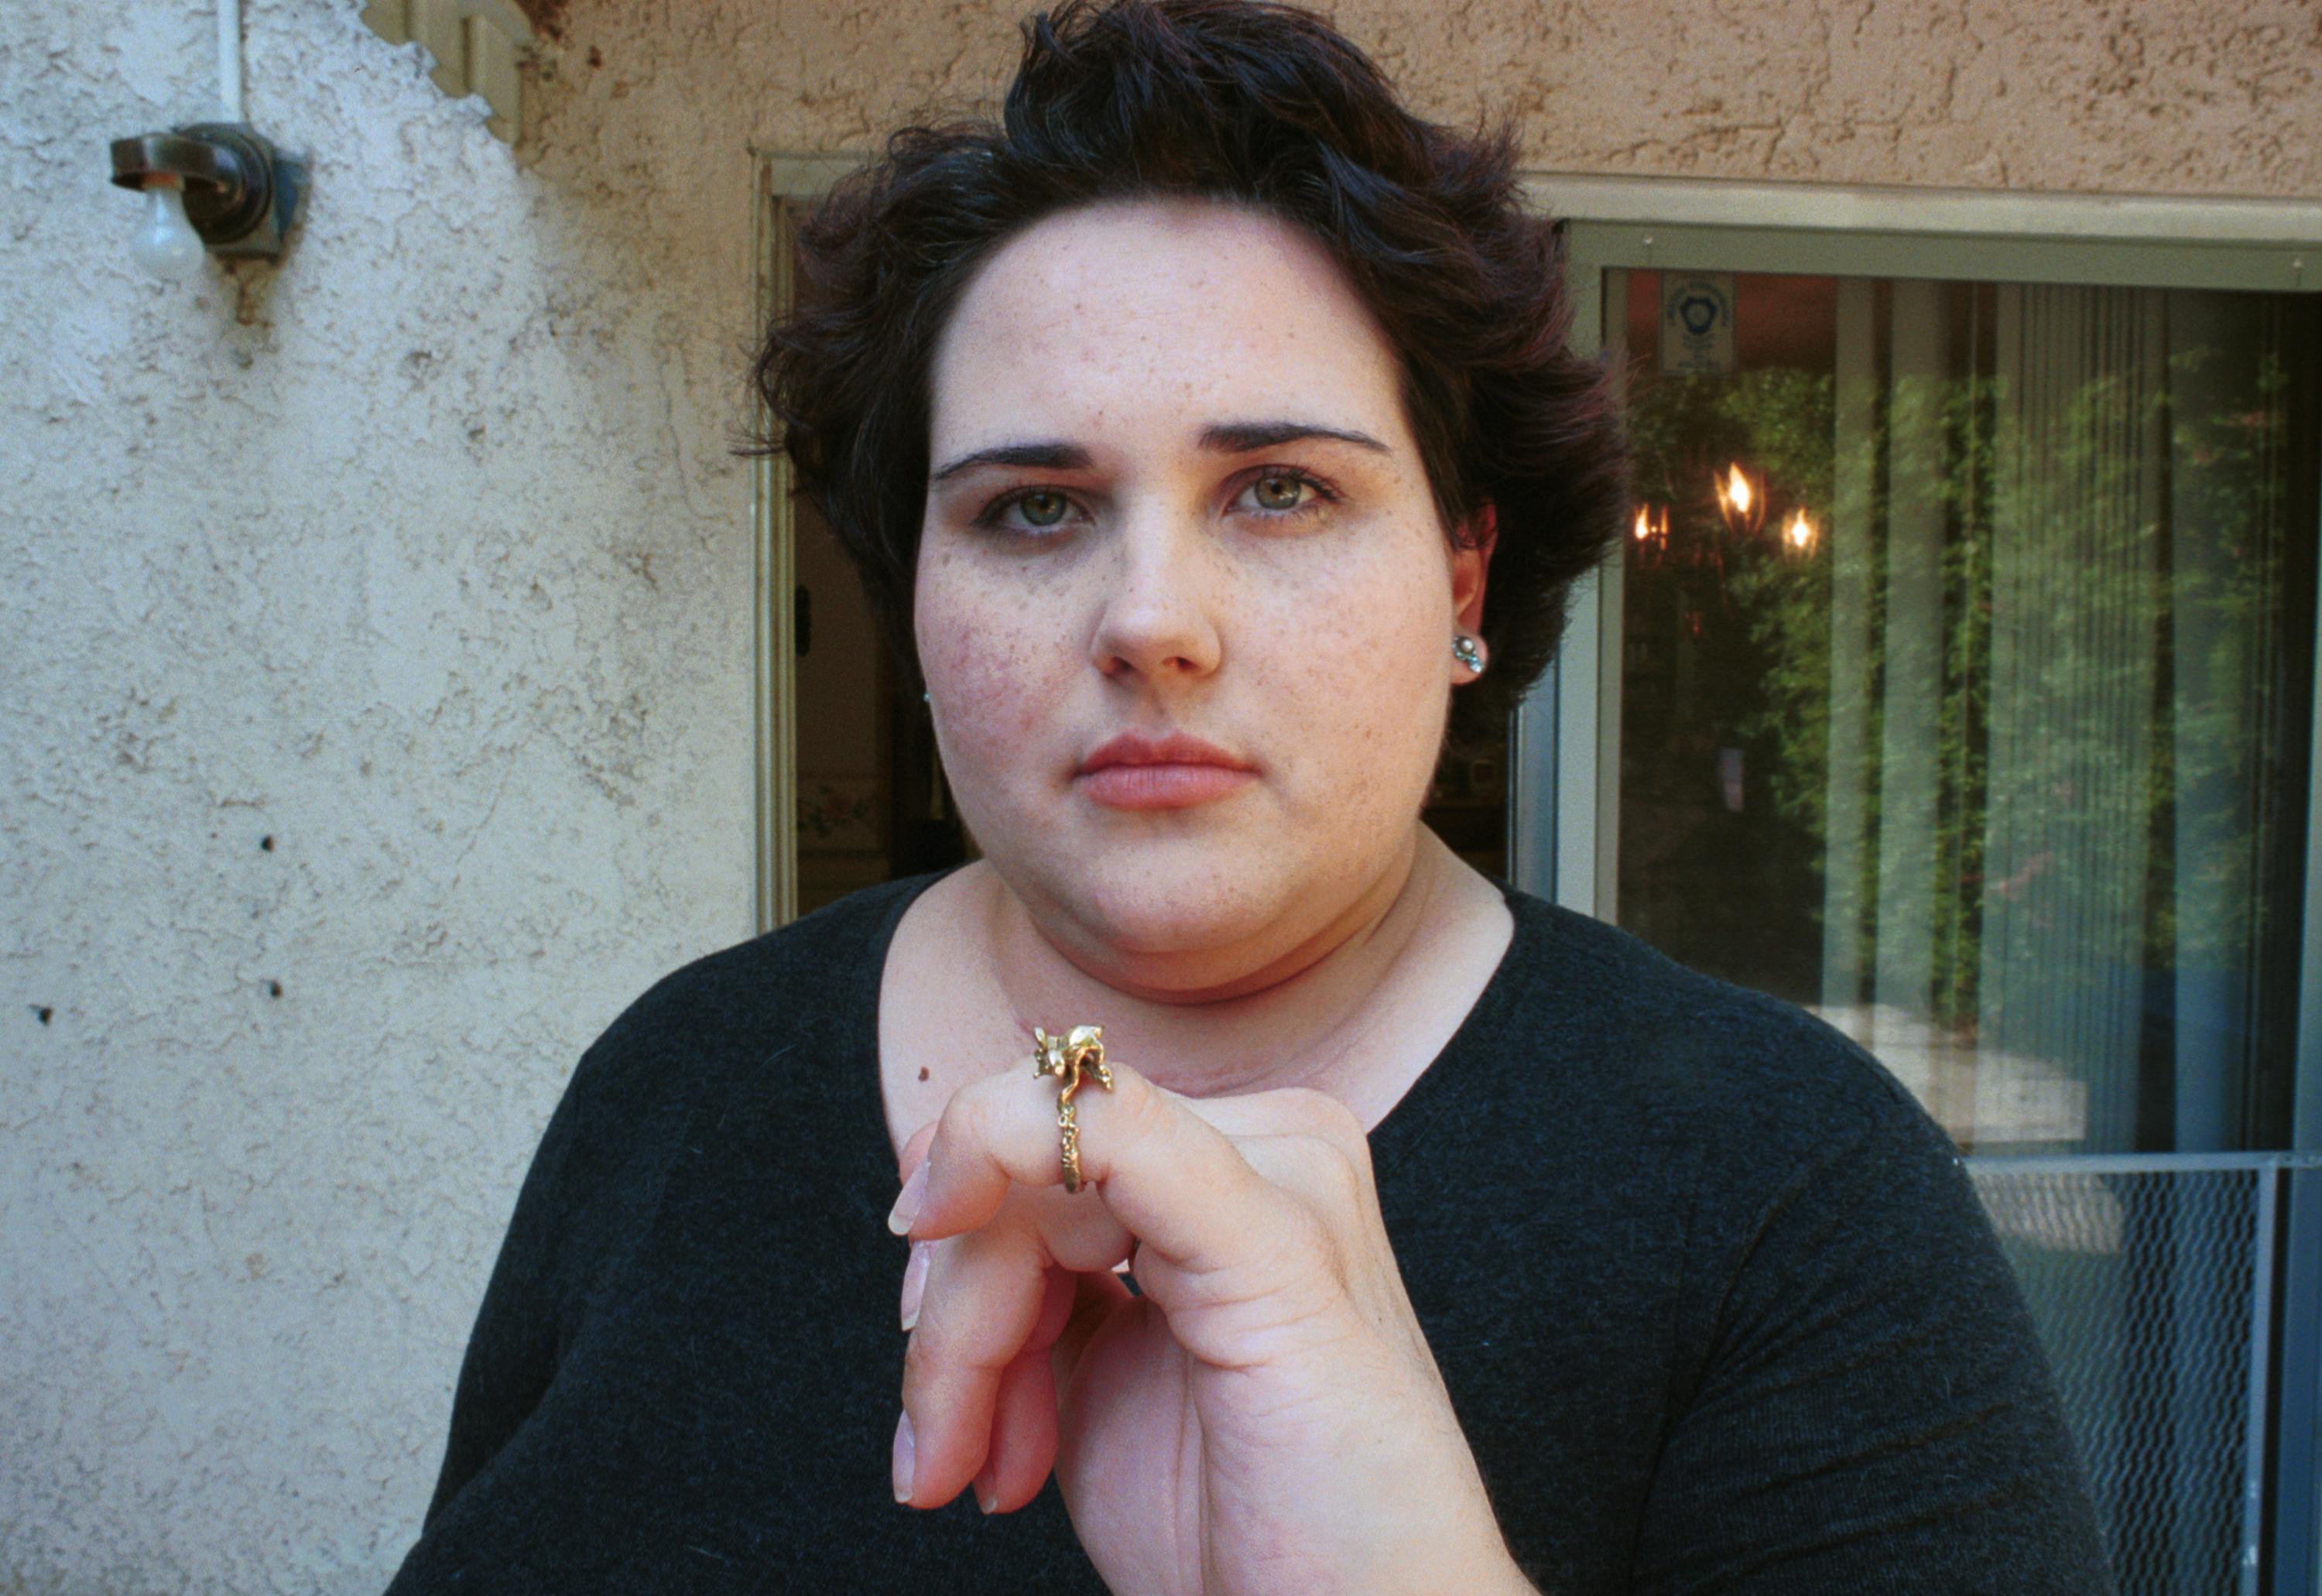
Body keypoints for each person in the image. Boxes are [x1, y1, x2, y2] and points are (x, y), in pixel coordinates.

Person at [384, 2, 2114, 1591]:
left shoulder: (1791, 1194)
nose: (1153, 621)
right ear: (910, 589)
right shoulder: (673, 1082)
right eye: (1033, 509)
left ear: (1462, 573)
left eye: (1279, 489)